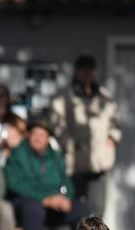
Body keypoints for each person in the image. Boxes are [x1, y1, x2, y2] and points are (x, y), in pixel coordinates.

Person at [50, 54, 121, 218]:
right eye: (83, 70)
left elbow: (115, 122)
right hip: (74, 162)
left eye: (89, 70)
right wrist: (68, 144)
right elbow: (56, 123)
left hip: (99, 162)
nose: (86, 74)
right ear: (77, 72)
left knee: (97, 211)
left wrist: (112, 138)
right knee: (72, 209)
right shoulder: (65, 97)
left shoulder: (104, 97)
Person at [5, 118, 83, 230]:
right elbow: (15, 184)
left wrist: (65, 196)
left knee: (81, 210)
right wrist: (44, 199)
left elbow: (65, 182)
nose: (38, 138)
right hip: (27, 202)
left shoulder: (55, 157)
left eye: (42, 135)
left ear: (48, 139)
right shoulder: (17, 154)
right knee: (33, 209)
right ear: (28, 135)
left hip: (55, 204)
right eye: (35, 133)